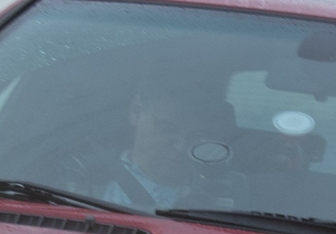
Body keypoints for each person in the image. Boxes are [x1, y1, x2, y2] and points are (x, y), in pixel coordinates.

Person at [98, 84, 241, 212]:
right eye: (166, 129)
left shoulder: (222, 192)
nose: (181, 147)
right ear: (136, 112)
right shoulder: (93, 190)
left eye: (195, 137)